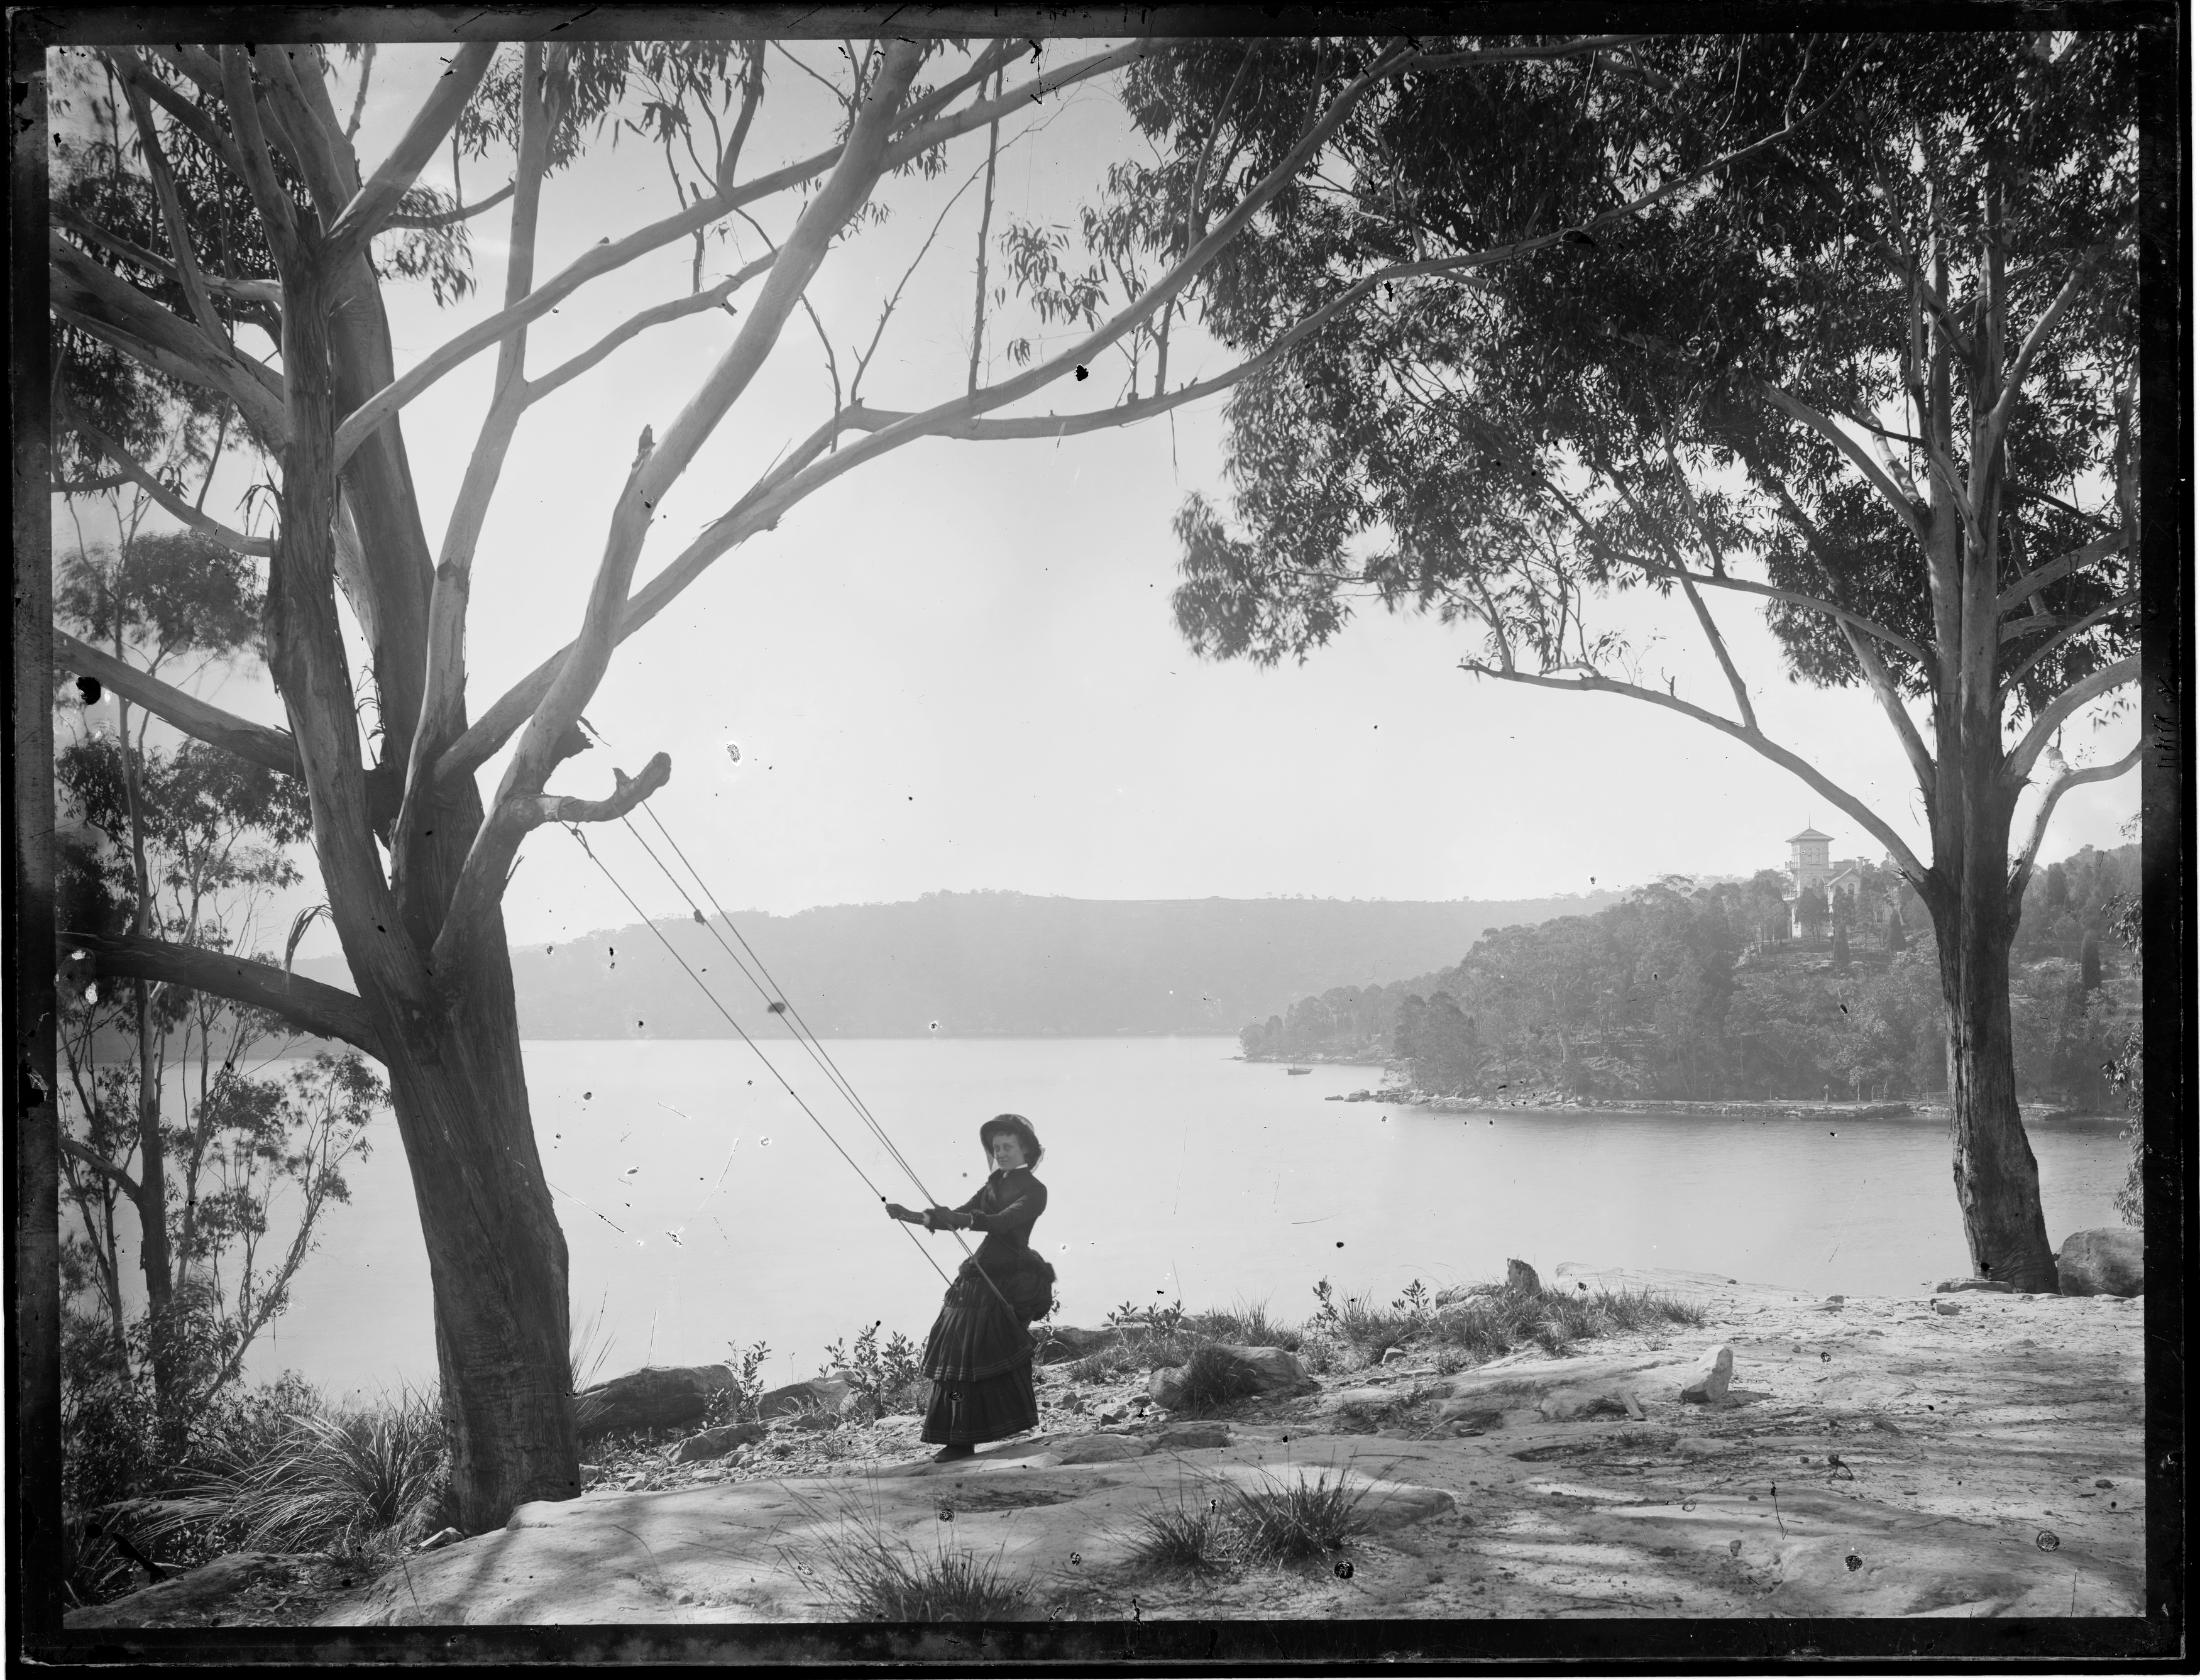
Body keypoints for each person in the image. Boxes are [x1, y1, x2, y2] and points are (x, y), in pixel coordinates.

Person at [885, 1114, 1057, 1464]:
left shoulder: (1035, 1190)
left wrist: (964, 1219)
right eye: (997, 1148)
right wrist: (914, 1216)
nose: (1001, 1153)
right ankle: (957, 1438)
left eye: (1008, 1147)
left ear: (1026, 1148)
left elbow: (1003, 1222)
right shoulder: (993, 1185)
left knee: (979, 1353)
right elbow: (960, 1215)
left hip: (1011, 1277)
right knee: (955, 1349)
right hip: (980, 1274)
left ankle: (966, 1440)